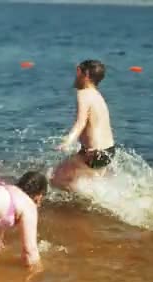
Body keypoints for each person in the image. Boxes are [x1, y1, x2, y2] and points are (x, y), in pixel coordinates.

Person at [52, 60, 116, 192]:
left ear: (85, 74)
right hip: (108, 151)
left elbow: (80, 122)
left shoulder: (83, 94)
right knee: (83, 179)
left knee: (55, 177)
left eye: (78, 71)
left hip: (93, 153)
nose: (76, 76)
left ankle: (89, 198)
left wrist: (67, 141)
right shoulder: (98, 96)